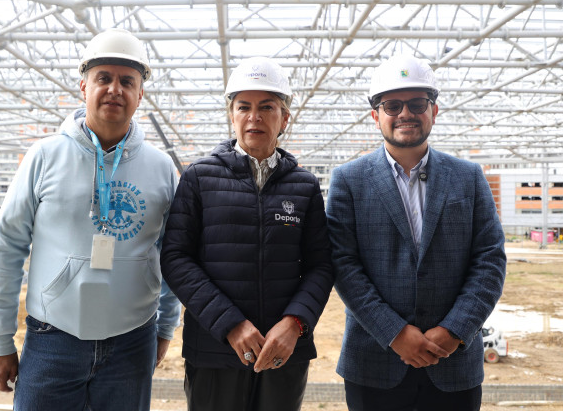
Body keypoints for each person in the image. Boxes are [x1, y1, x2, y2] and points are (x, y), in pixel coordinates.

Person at [0, 28, 180, 411]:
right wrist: (0, 339)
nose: (114, 89)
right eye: (103, 78)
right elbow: (7, 246)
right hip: (53, 336)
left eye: (127, 81)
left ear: (141, 93)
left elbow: (173, 255)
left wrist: (166, 325)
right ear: (83, 86)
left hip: (132, 338)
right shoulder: (45, 156)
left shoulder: (161, 168)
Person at [326, 54, 507, 411]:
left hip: (452, 362)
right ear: (375, 116)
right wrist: (393, 332)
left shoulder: (469, 177)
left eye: (417, 104)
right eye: (392, 106)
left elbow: (490, 261)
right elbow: (343, 265)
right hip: (374, 363)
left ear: (434, 111)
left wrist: (455, 330)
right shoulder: (348, 180)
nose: (405, 114)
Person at [161, 57, 334, 411]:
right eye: (244, 107)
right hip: (215, 349)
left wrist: (294, 324)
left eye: (267, 107)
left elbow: (321, 265)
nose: (254, 116)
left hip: (283, 351)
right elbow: (176, 258)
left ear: (284, 118)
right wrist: (231, 324)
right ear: (232, 115)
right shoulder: (200, 178)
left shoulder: (304, 186)